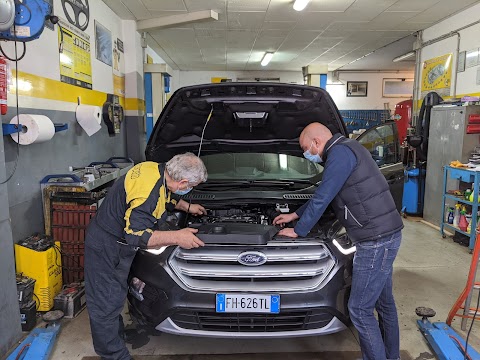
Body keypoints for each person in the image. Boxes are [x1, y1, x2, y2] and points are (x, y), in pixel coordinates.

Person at [273, 123, 403, 360]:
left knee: (359, 309)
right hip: (385, 234)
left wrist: (298, 230)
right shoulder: (347, 148)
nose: (307, 153)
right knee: (384, 304)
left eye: (305, 148)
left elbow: (324, 196)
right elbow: (327, 192)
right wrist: (294, 215)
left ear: (316, 142)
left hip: (375, 240)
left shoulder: (340, 154)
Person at [84, 152, 208, 360]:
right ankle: (113, 354)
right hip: (107, 246)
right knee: (105, 302)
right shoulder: (147, 192)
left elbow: (166, 194)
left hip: (114, 244)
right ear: (184, 181)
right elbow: (135, 236)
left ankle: (115, 337)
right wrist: (177, 236)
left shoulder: (156, 170)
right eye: (191, 186)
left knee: (115, 296)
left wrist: (187, 206)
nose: (189, 190)